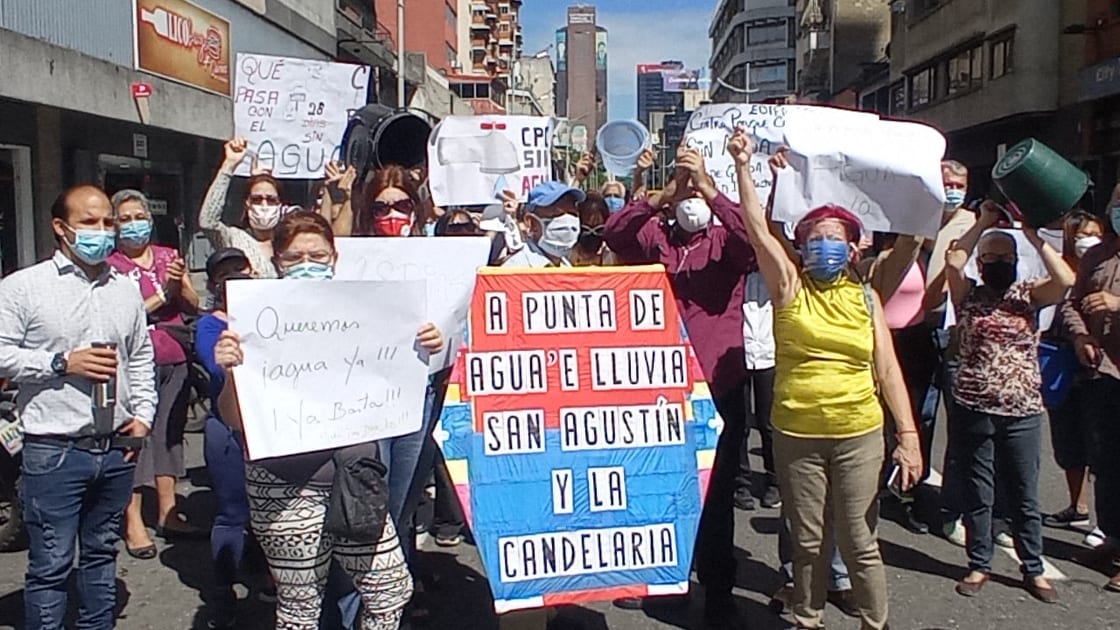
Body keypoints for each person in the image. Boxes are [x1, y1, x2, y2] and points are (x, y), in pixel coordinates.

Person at [728, 129, 922, 630]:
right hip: (797, 433)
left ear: (854, 248)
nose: (824, 245)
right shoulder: (788, 287)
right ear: (802, 246)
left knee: (859, 539)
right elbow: (755, 227)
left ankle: (874, 623)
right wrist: (745, 167)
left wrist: (908, 436)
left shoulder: (867, 297)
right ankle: (807, 617)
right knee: (808, 540)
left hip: (859, 432)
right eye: (814, 238)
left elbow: (887, 370)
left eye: (835, 238)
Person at [212, 211, 442, 629]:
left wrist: (424, 346)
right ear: (277, 261)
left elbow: (398, 386)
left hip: (355, 480)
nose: (306, 264)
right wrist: (231, 372)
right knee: (301, 608)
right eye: (294, 256)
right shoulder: (252, 322)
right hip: (284, 485)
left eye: (316, 255)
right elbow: (232, 418)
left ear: (334, 258)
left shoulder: (372, 313)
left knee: (391, 590)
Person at [603, 141, 756, 627]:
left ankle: (718, 589)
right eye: (685, 189)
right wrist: (660, 195)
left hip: (718, 384)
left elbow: (753, 242)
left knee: (716, 494)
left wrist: (711, 190)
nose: (690, 197)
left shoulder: (724, 244)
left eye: (697, 190)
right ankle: (665, 576)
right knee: (664, 486)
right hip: (660, 386)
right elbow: (615, 233)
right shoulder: (658, 239)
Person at [0, 185, 156, 629]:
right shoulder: (23, 288)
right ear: (61, 228)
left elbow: (140, 356)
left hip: (116, 446)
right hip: (53, 449)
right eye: (90, 223)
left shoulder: (124, 288)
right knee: (50, 564)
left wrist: (143, 416)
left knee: (102, 556)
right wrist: (60, 362)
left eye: (109, 222)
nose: (103, 232)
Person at [943, 202, 1074, 603]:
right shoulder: (969, 294)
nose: (999, 262)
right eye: (991, 257)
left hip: (1022, 411)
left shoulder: (1028, 295)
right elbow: (953, 260)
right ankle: (979, 563)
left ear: (1017, 261)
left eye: (1006, 257)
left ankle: (1032, 566)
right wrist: (982, 222)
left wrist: (1033, 236)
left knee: (1024, 493)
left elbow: (1065, 278)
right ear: (980, 264)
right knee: (978, 491)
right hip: (973, 407)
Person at [107, 189, 205, 559]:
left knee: (170, 435)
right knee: (135, 438)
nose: (134, 225)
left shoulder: (169, 256)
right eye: (125, 218)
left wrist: (179, 286)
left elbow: (194, 305)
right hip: (134, 363)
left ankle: (168, 511)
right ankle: (132, 521)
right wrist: (163, 295)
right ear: (115, 225)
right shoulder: (111, 265)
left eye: (139, 217)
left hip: (174, 357)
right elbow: (125, 317)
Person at [194, 248, 262, 629]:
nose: (234, 277)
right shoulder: (209, 326)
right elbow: (213, 368)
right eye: (225, 273)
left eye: (241, 270)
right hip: (228, 429)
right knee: (233, 514)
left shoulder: (275, 312)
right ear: (213, 283)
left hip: (274, 428)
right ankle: (223, 594)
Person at [1062, 184, 1120, 590]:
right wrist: (1081, 336)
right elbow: (1071, 302)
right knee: (1107, 464)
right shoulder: (1098, 253)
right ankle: (1112, 537)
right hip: (1103, 372)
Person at [923, 159, 978, 546]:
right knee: (919, 416)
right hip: (914, 332)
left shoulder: (975, 227)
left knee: (960, 425)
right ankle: (909, 488)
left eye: (959, 183)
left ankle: (951, 510)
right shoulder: (913, 222)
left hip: (957, 335)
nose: (952, 189)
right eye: (946, 182)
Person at [1042, 210, 1103, 531]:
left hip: (1100, 369)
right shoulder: (1059, 268)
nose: (1087, 242)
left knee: (1102, 444)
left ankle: (1104, 521)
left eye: (1093, 234)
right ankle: (1077, 506)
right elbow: (1065, 306)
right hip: (1062, 365)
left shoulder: (1108, 265)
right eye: (1079, 236)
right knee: (1067, 438)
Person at [199, 138, 287, 278]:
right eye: (257, 199)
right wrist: (229, 165)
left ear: (280, 204)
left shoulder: (290, 242)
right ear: (247, 203)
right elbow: (207, 222)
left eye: (270, 199)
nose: (264, 205)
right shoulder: (233, 238)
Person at [506, 181, 585, 268]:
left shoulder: (567, 268)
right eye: (557, 214)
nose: (568, 222)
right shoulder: (515, 271)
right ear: (532, 223)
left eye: (573, 214)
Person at [336, 164, 427, 238]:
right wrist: (346, 199)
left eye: (402, 206)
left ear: (414, 210)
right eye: (381, 209)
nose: (392, 214)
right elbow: (340, 244)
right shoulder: (361, 249)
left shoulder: (432, 247)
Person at [571, 192, 617, 267]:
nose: (592, 234)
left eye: (598, 230)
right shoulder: (568, 254)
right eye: (586, 229)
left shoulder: (611, 256)